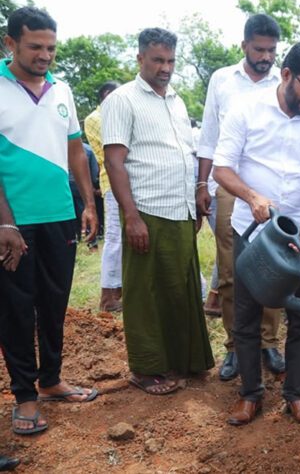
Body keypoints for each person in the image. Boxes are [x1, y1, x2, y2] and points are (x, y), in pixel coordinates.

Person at [213, 42, 300, 425]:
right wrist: (251, 195)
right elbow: (221, 168)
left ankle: (295, 393)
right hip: (253, 232)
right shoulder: (246, 109)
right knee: (247, 316)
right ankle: (250, 395)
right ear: (285, 75)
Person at [0, 7, 99, 436]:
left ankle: (52, 379)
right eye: (35, 46)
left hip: (60, 215)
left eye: (51, 48)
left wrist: (89, 202)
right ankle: (25, 397)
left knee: (54, 302)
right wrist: (5, 223)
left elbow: (75, 148)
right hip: (14, 223)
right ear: (10, 44)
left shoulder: (63, 90)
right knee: (16, 308)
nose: (45, 55)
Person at [102, 27, 214, 396]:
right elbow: (115, 162)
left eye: (170, 60)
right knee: (145, 292)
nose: (165, 67)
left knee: (180, 288)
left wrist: (196, 193)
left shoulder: (177, 101)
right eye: (157, 60)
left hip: (179, 209)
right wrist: (131, 216)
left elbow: (186, 152)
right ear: (140, 59)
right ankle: (147, 368)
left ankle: (185, 361)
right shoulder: (123, 99)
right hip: (146, 210)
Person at [196, 14, 285, 381]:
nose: (265, 57)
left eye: (271, 51)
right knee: (232, 271)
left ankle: (268, 341)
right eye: (259, 49)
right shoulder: (222, 80)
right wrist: (202, 184)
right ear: (244, 45)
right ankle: (235, 345)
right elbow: (208, 136)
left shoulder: (284, 80)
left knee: (273, 269)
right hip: (230, 187)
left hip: (272, 189)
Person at [84, 81, 122, 311]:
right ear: (105, 97)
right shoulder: (95, 119)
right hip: (112, 184)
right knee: (115, 239)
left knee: (126, 241)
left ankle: (119, 291)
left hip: (130, 184)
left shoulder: (117, 116)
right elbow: (116, 148)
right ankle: (107, 297)